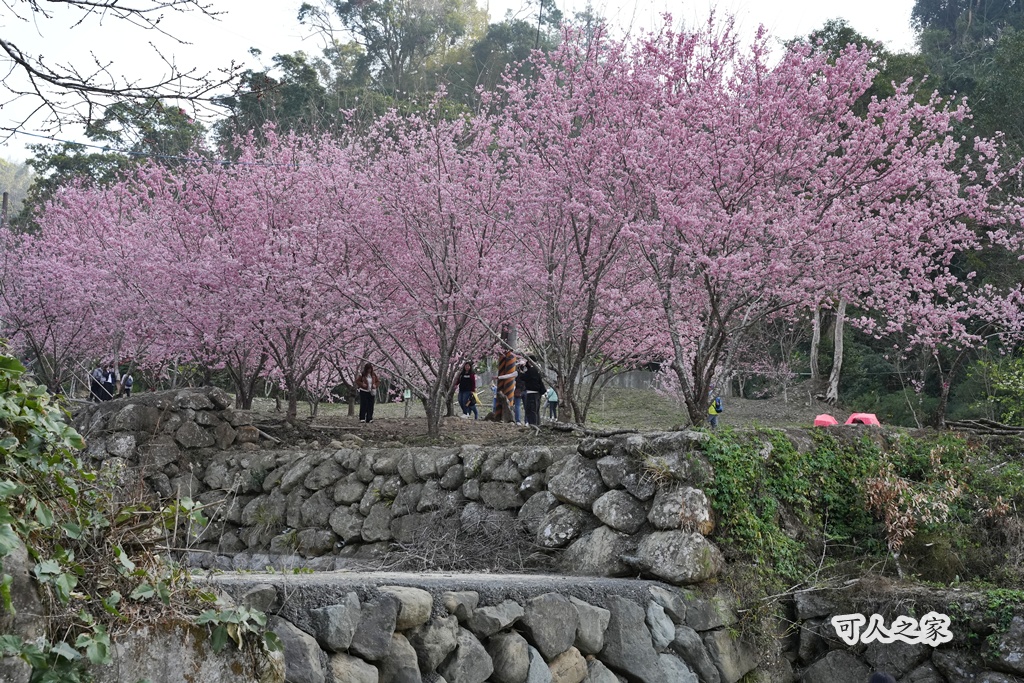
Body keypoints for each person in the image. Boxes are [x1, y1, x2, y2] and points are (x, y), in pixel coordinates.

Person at [521, 358, 546, 426]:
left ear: (529, 361)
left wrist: (520, 369)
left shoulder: (532, 370)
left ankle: (533, 425)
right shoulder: (538, 369)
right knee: (536, 411)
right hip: (538, 393)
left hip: (532, 393)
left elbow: (523, 377)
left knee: (531, 410)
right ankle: (537, 424)